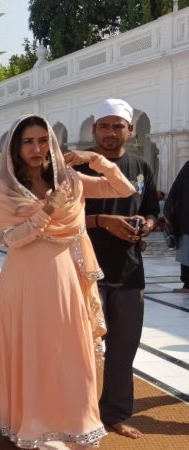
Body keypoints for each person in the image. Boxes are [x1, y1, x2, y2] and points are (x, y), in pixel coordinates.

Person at [0, 114, 135, 449]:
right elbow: (9, 239)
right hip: (25, 281)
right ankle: (30, 422)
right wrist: (46, 211)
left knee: (70, 353)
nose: (37, 148)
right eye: (28, 142)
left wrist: (96, 160)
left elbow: (123, 189)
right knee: (32, 351)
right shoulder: (5, 188)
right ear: (16, 147)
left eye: (43, 140)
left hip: (66, 278)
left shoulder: (68, 178)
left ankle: (75, 420)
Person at [75, 99, 160, 440]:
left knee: (124, 346)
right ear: (94, 130)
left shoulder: (140, 166)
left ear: (130, 130)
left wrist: (147, 224)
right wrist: (101, 221)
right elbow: (55, 219)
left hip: (128, 271)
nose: (111, 133)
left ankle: (115, 413)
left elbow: (152, 209)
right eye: (105, 126)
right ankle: (78, 411)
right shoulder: (77, 167)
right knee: (81, 349)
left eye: (118, 126)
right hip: (84, 270)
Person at [165, 159, 189, 293]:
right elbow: (176, 190)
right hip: (186, 220)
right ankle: (187, 285)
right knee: (186, 251)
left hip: (185, 220)